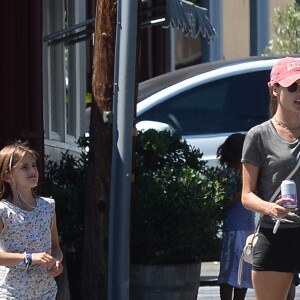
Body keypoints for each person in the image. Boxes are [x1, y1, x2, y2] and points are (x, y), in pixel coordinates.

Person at [241, 56, 300, 300]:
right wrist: (270, 208)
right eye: (293, 86)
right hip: (276, 233)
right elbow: (246, 195)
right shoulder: (259, 136)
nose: (299, 93)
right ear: (275, 89)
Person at [0, 141, 63, 299]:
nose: (33, 170)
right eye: (24, 167)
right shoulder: (3, 211)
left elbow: (55, 248)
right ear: (7, 175)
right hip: (13, 293)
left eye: (34, 165)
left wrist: (55, 262)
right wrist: (29, 258)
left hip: (45, 292)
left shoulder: (47, 207)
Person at [217, 133, 255, 300]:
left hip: (247, 227)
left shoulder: (247, 173)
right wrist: (244, 192)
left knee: (244, 270)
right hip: (233, 227)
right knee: (228, 270)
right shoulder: (226, 175)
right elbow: (225, 201)